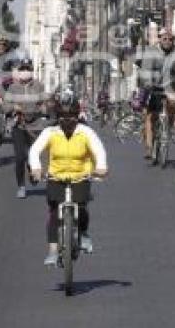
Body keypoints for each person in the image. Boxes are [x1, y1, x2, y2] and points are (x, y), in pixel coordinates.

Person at [29, 91, 108, 266]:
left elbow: (99, 150)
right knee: (54, 212)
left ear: (77, 115)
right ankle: (52, 250)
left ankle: (84, 233)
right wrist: (36, 168)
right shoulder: (50, 132)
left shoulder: (86, 132)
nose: (67, 120)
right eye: (63, 116)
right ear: (58, 116)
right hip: (56, 177)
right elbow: (35, 151)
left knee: (82, 205)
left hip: (80, 176)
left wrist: (101, 167)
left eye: (71, 116)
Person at [3, 55, 46, 199]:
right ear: (19, 70)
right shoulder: (13, 87)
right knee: (20, 156)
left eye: (28, 69)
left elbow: (44, 104)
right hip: (19, 125)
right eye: (23, 69)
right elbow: (5, 106)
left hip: (35, 125)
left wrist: (43, 109)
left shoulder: (39, 85)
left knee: (34, 155)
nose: (26, 71)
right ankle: (21, 186)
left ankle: (32, 169)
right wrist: (13, 107)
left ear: (32, 70)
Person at [138, 27, 175, 160]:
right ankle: (149, 147)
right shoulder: (151, 51)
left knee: (173, 103)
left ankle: (167, 128)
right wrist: (147, 83)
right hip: (153, 86)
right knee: (150, 116)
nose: (167, 41)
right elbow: (146, 69)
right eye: (164, 38)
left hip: (170, 87)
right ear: (159, 39)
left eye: (170, 39)